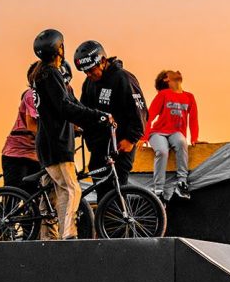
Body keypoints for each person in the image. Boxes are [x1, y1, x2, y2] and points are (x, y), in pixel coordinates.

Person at [29, 29, 113, 240]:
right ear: (60, 49)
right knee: (72, 189)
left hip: (49, 142)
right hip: (56, 144)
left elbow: (73, 105)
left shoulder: (42, 75)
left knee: (59, 193)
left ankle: (52, 237)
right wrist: (100, 117)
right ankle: (69, 234)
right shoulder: (51, 74)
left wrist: (95, 119)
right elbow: (65, 107)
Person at [74, 40, 149, 204]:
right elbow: (83, 111)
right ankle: (104, 228)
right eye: (85, 71)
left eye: (91, 70)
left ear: (102, 61)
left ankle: (119, 228)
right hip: (98, 147)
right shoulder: (89, 83)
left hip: (120, 146)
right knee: (102, 193)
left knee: (116, 191)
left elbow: (140, 110)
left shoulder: (123, 78)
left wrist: (131, 139)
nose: (88, 74)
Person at [141, 70, 199, 201]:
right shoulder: (163, 94)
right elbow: (149, 117)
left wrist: (194, 138)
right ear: (166, 79)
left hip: (176, 133)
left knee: (182, 142)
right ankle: (158, 191)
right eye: (172, 72)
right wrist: (144, 137)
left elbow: (194, 119)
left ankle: (181, 184)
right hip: (158, 133)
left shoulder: (189, 97)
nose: (178, 71)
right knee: (162, 151)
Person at [0, 63, 39, 188]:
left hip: (36, 154)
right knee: (14, 197)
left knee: (33, 197)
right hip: (17, 154)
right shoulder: (31, 95)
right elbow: (32, 126)